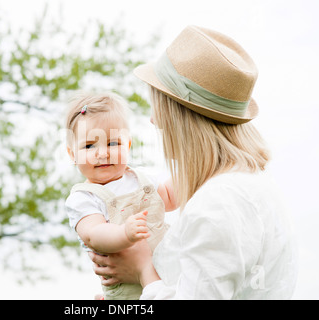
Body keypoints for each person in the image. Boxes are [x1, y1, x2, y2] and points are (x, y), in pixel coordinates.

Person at [89, 25, 298, 299]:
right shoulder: (251, 186)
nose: (153, 119)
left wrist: (143, 271)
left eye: (159, 106)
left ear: (181, 117)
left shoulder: (219, 202)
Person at [64, 91, 177, 300]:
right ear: (72, 154)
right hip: (128, 291)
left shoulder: (141, 180)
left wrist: (196, 171)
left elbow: (170, 196)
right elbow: (93, 234)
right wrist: (125, 234)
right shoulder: (85, 198)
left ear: (128, 145)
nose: (103, 153)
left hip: (169, 276)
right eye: (89, 146)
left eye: (112, 143)